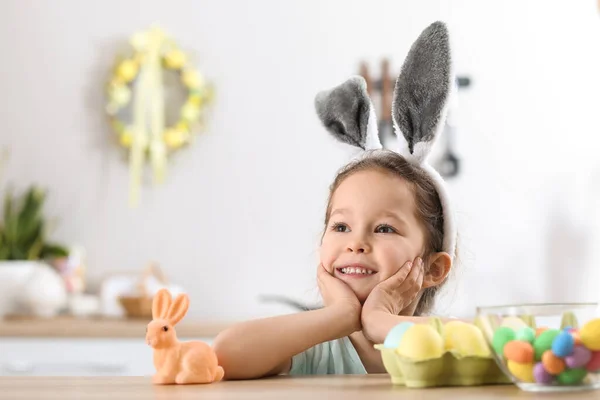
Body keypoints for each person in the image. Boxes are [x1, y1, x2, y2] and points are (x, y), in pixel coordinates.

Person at [213, 21, 458, 379]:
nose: (356, 243)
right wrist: (336, 317)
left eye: (385, 228)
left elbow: (488, 346)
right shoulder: (312, 345)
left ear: (433, 268)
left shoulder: (442, 341)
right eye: (341, 226)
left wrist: (379, 321)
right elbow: (223, 356)